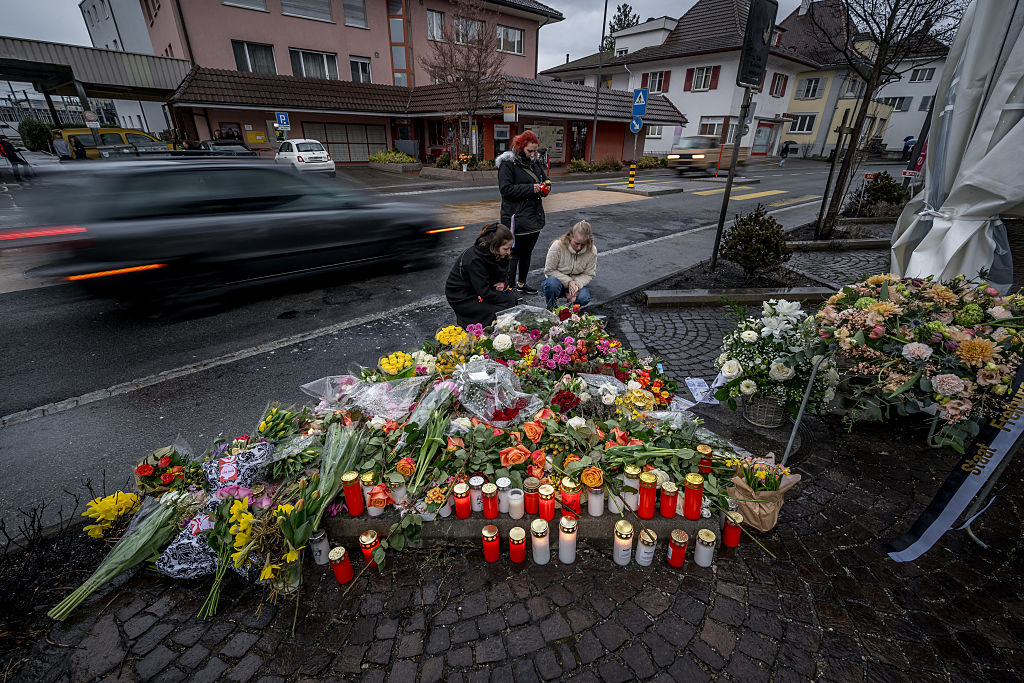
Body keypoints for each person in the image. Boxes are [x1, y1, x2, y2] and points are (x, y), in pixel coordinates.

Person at [498, 130, 548, 294]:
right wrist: (531, 188)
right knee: (514, 255)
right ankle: (510, 288)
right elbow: (505, 190)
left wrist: (546, 187)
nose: (534, 154)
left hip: (534, 217)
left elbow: (542, 179)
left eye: (535, 150)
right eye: (530, 151)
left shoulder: (535, 162)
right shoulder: (507, 164)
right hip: (516, 218)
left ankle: (521, 283)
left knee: (527, 253)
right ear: (519, 147)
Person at [446, 222, 519, 326]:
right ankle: (475, 328)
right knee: (502, 309)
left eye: (510, 248)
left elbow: (503, 275)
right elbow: (484, 292)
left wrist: (503, 284)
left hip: (479, 289)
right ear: (494, 246)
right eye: (506, 249)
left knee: (511, 300)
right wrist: (506, 296)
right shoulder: (475, 260)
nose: (509, 252)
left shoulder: (496, 254)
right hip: (461, 296)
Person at [542, 220, 597, 310]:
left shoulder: (592, 251)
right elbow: (549, 270)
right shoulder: (557, 246)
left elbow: (589, 274)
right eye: (576, 243)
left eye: (583, 244)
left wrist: (577, 285)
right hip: (556, 281)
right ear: (571, 236)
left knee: (583, 298)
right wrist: (569, 282)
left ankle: (570, 309)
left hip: (576, 283)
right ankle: (551, 308)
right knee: (552, 284)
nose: (579, 248)